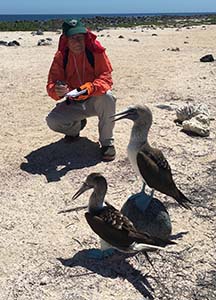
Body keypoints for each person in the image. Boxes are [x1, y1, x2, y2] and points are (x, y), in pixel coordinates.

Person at [46, 19, 116, 161]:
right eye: (73, 38)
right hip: (74, 102)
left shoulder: (95, 51)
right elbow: (51, 84)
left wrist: (91, 87)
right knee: (52, 120)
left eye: (80, 38)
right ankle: (76, 128)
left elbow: (106, 77)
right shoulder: (61, 57)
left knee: (108, 97)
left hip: (95, 100)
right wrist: (57, 90)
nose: (78, 42)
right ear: (66, 40)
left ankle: (107, 143)